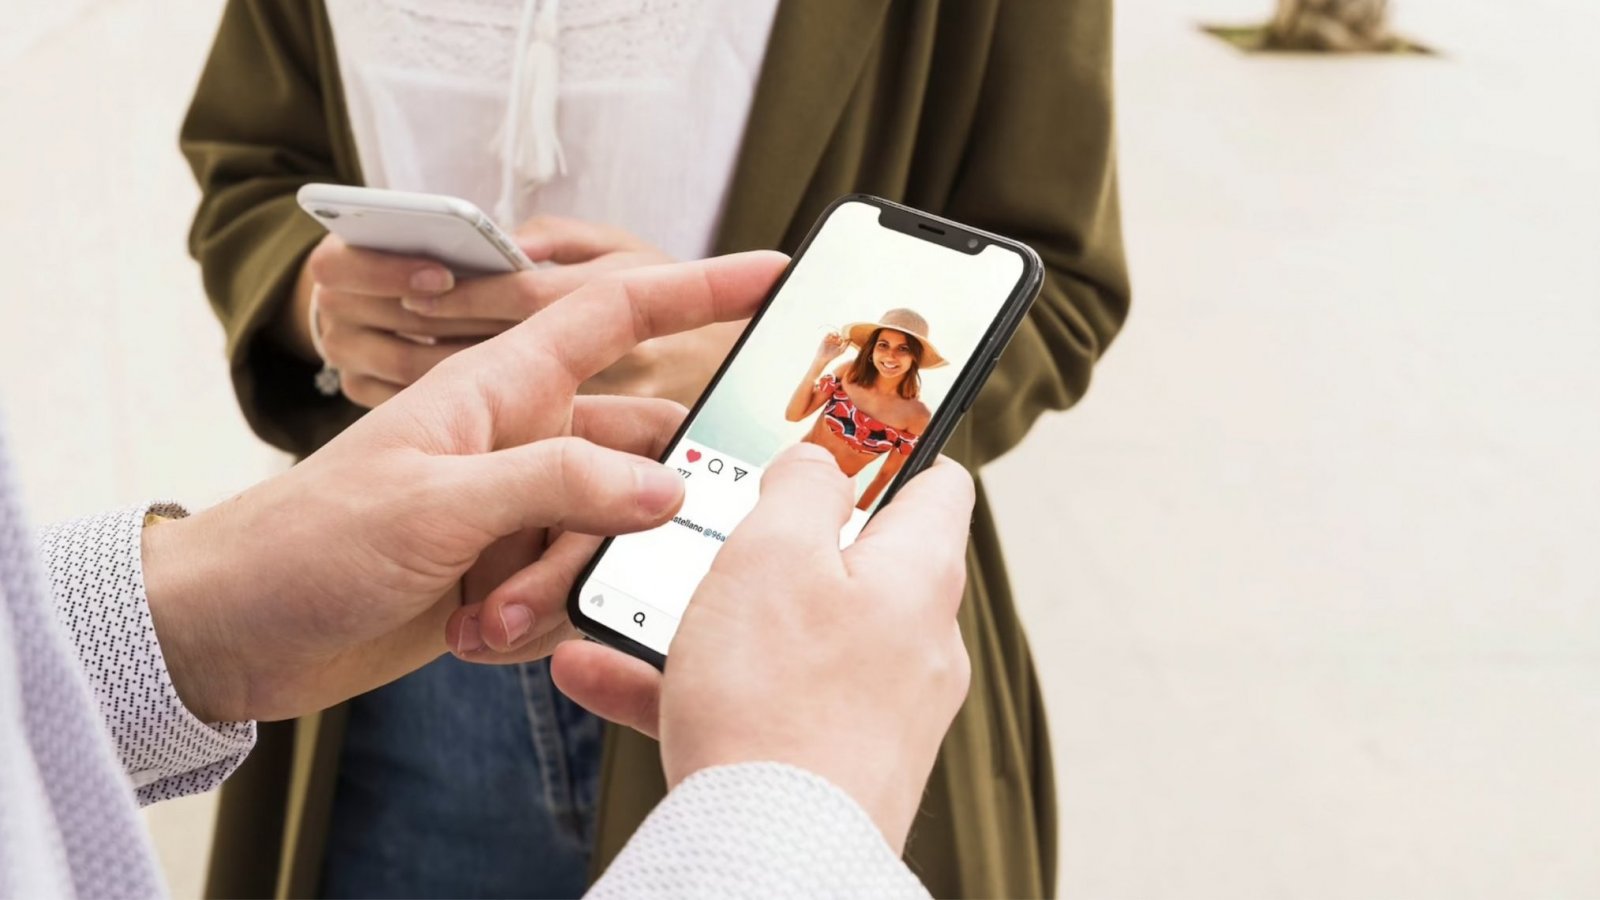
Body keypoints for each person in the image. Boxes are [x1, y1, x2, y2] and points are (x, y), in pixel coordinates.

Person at [182, 1, 1131, 896]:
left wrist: (747, 370)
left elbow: (1064, 281)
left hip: (788, 637)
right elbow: (252, 165)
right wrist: (320, 302)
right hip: (390, 638)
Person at [0, 254, 976, 899]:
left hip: (595, 569)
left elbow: (1069, 293)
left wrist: (185, 615)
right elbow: (253, 164)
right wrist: (788, 813)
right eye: (880, 341)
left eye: (900, 347)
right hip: (416, 694)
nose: (888, 353)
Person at [786, 309, 940, 510]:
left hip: (833, 494)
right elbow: (794, 415)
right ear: (872, 350)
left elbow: (885, 475)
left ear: (915, 357)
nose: (890, 356)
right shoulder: (848, 373)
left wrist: (857, 516)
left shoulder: (917, 416)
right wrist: (820, 362)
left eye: (903, 349)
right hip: (791, 467)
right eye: (883, 345)